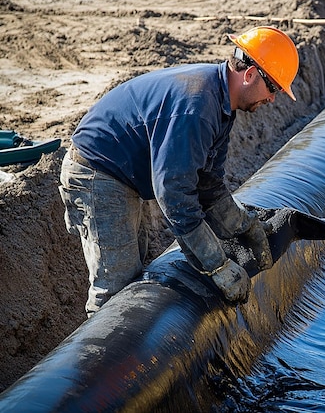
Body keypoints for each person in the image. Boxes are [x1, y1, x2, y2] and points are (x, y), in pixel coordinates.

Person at [59, 26, 299, 318]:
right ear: (250, 75)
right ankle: (96, 358)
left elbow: (208, 186)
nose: (273, 99)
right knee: (116, 287)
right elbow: (175, 194)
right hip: (97, 173)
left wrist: (244, 227)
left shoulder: (221, 104)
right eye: (273, 87)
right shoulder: (197, 105)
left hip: (122, 174)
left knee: (134, 269)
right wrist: (216, 265)